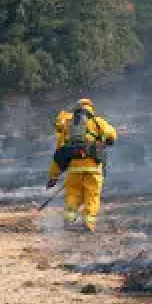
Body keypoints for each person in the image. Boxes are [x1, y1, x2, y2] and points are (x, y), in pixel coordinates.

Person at [46, 98, 117, 232]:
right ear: (91, 108)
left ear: (76, 109)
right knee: (92, 195)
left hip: (74, 168)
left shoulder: (68, 125)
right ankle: (88, 224)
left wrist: (53, 176)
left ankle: (69, 220)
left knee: (73, 194)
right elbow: (112, 135)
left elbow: (59, 153)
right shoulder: (98, 122)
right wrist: (105, 140)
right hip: (94, 168)